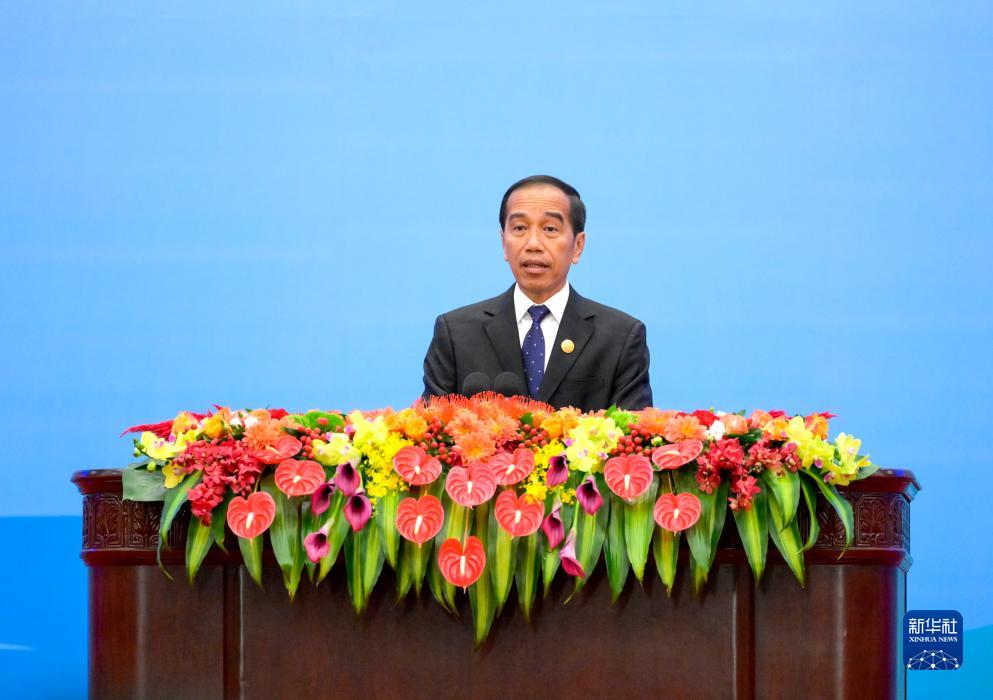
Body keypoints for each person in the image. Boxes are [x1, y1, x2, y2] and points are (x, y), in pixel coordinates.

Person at [421, 175, 652, 412]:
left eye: (550, 229)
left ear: (578, 245)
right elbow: (432, 430)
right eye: (519, 228)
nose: (533, 244)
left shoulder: (620, 338)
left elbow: (634, 431)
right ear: (503, 242)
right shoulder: (456, 334)